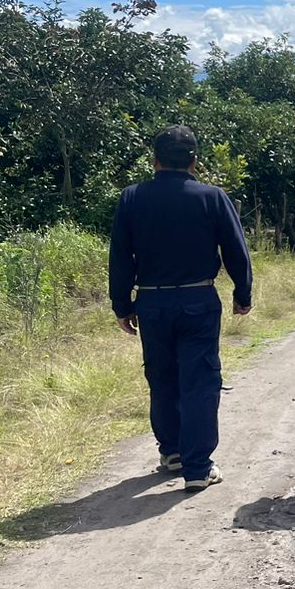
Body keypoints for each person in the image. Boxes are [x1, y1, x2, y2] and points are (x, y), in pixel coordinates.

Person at [109, 125, 253, 492]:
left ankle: (171, 452)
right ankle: (198, 467)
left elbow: (121, 256)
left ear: (154, 160)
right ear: (194, 161)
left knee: (161, 378)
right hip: (197, 300)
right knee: (200, 380)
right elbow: (235, 249)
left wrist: (122, 305)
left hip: (152, 302)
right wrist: (243, 293)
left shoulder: (132, 198)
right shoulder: (212, 197)